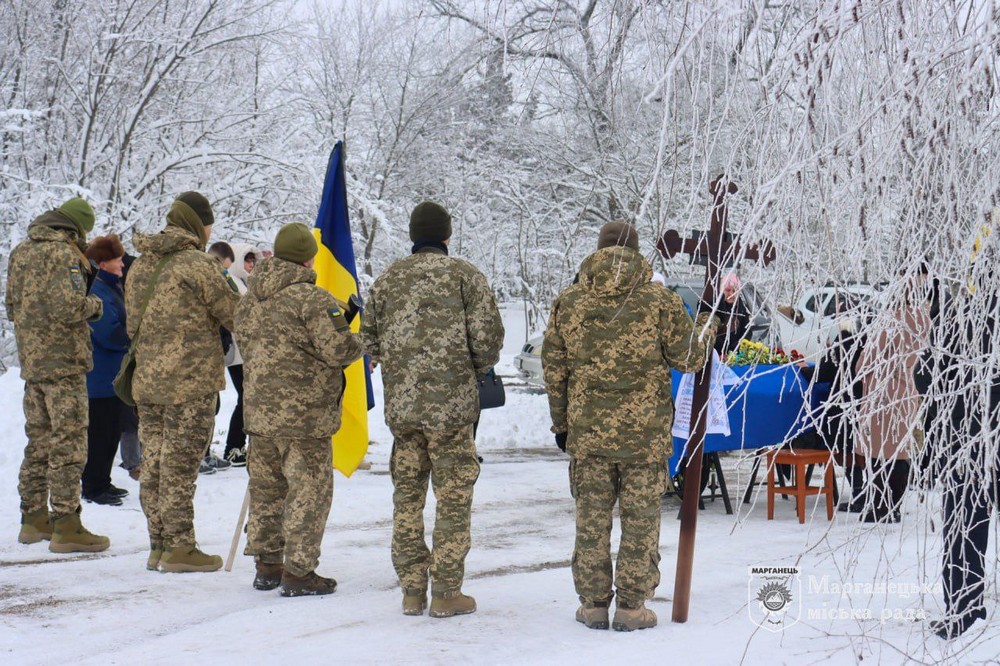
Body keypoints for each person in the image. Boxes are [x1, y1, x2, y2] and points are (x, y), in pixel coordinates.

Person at [542, 220, 717, 632]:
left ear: (598, 250)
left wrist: (560, 424)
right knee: (640, 521)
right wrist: (710, 321)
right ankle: (633, 606)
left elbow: (554, 369)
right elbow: (690, 358)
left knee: (591, 520)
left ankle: (594, 604)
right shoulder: (659, 301)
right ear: (638, 254)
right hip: (644, 435)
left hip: (588, 433)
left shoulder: (569, 302)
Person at [360, 201, 504, 618]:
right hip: (453, 412)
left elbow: (369, 342)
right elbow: (489, 340)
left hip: (405, 413)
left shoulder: (387, 281)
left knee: (407, 498)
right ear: (446, 235)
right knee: (453, 497)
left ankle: (410, 590)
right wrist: (472, 369)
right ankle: (445, 591)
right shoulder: (464, 275)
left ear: (411, 235)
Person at [236, 223, 364, 596]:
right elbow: (339, 350)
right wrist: (359, 336)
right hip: (305, 418)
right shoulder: (314, 300)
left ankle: (267, 565)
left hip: (259, 416)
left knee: (267, 492)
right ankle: (299, 572)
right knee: (308, 494)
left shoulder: (249, 300)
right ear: (309, 260)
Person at [125, 191, 240, 573]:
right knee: (180, 466)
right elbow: (236, 316)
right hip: (189, 385)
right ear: (197, 223)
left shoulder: (141, 266)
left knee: (154, 462)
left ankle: (158, 544)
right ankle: (180, 547)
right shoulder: (198, 265)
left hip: (148, 383)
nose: (211, 232)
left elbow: (131, 325)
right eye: (209, 224)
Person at [6, 197, 110, 552]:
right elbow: (70, 306)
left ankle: (33, 519)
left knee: (39, 441)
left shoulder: (20, 251)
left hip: (33, 364)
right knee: (69, 443)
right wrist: (95, 306)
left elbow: (10, 306)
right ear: (75, 229)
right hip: (65, 365)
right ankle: (67, 523)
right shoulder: (64, 254)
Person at [854, 276, 930, 523]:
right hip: (908, 391)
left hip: (882, 393)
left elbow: (867, 360)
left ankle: (881, 505)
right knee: (900, 451)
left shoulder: (892, 319)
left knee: (878, 452)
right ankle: (893, 505)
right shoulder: (925, 319)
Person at [81, 234, 131, 506]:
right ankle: (93, 485)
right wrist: (132, 339)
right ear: (102, 263)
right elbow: (107, 332)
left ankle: (102, 480)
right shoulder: (98, 291)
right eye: (117, 259)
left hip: (112, 376)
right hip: (100, 377)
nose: (122, 264)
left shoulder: (112, 287)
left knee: (112, 430)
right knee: (100, 432)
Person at [797, 320, 867, 511]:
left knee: (847, 450)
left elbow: (821, 373)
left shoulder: (844, 343)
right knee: (862, 450)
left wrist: (803, 367)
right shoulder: (867, 339)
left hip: (843, 405)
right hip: (866, 403)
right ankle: (868, 492)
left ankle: (860, 494)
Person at [219, 243, 261, 467]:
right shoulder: (232, 282)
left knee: (247, 397)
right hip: (238, 352)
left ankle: (237, 446)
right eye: (247, 260)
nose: (251, 265)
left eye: (253, 261)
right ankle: (233, 447)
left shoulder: (246, 282)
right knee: (245, 397)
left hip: (246, 351)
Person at [708, 272, 749, 355]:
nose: (731, 294)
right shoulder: (714, 307)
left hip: (734, 355)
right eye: (727, 290)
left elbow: (746, 333)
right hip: (714, 354)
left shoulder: (742, 308)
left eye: (734, 290)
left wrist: (733, 350)